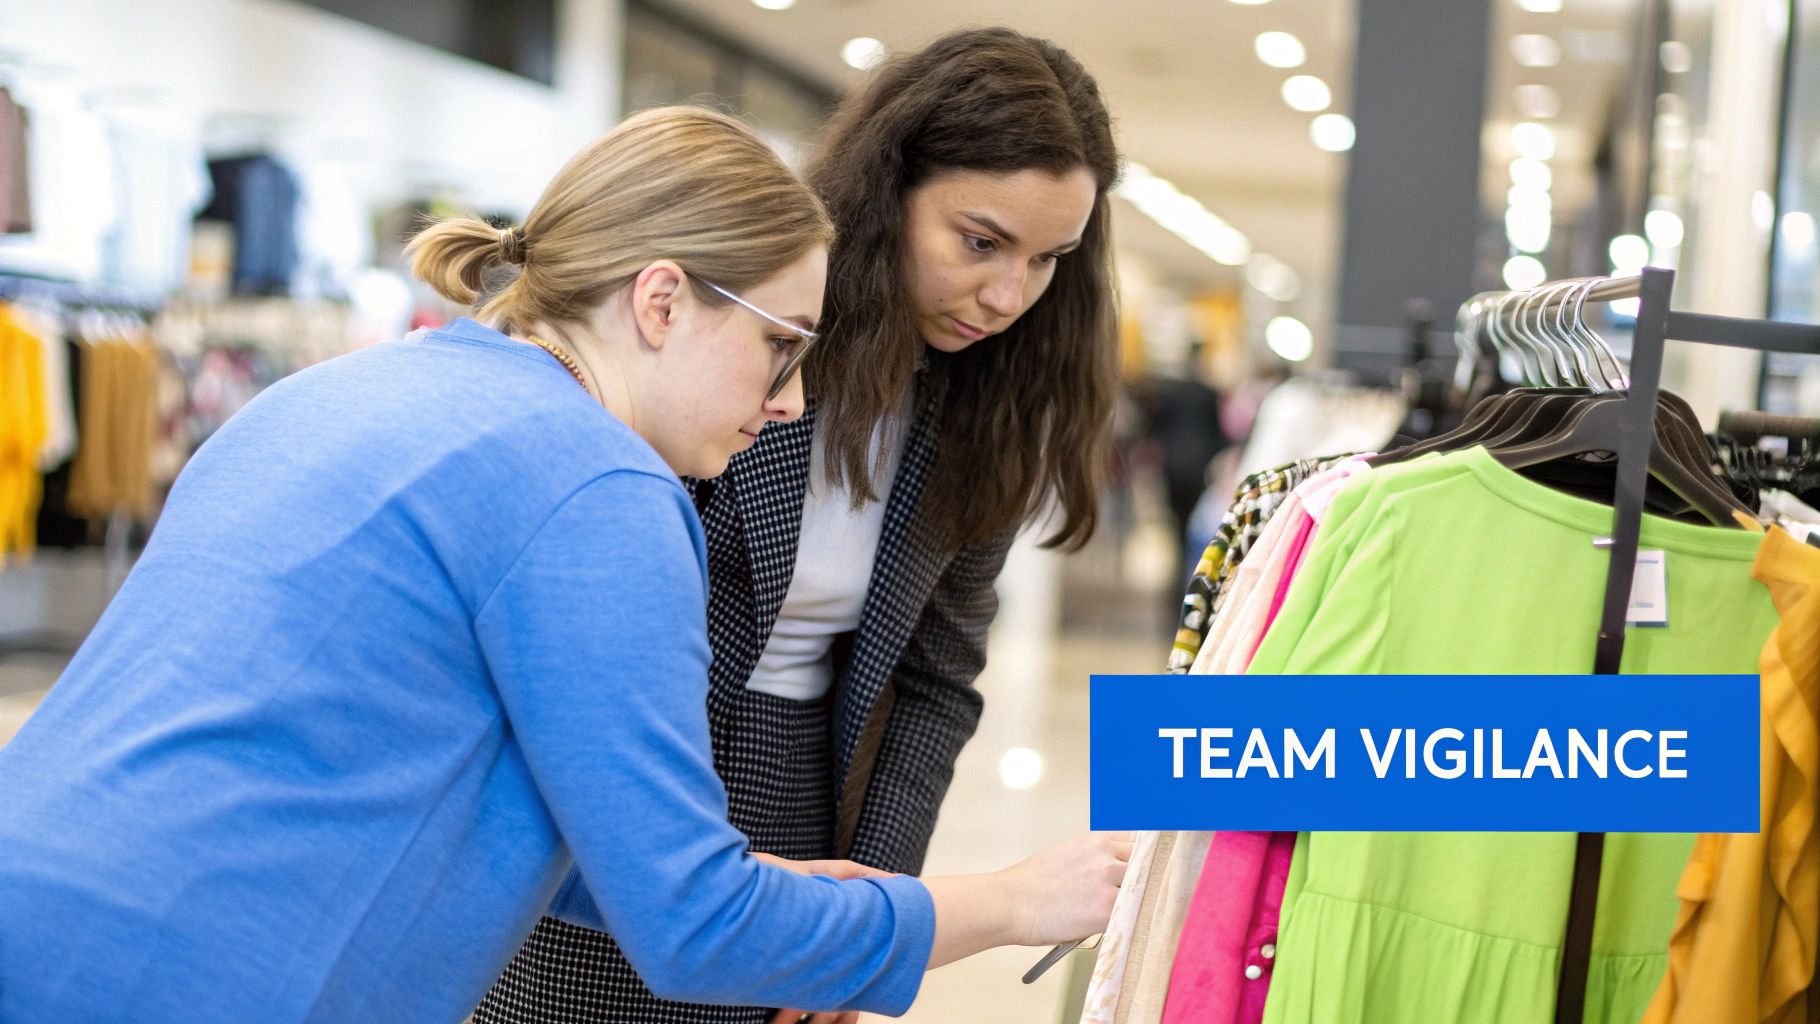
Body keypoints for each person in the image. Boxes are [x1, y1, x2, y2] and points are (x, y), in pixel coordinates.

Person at [0, 106, 1128, 1024]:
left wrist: (784, 889)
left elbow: (414, 772)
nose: (790, 402)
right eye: (781, 345)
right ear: (660, 299)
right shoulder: (602, 489)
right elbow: (692, 928)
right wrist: (1004, 900)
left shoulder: (339, 390)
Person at [479, 26, 1123, 1024]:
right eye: (979, 241)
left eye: (1047, 260)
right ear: (888, 190)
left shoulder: (984, 408)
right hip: (624, 768)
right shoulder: (727, 332)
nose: (1007, 295)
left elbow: (934, 680)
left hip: (811, 782)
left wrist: (875, 906)